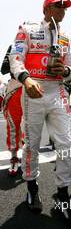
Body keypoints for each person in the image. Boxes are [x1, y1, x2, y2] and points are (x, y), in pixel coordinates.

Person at [9, 0, 71, 221]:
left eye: (64, 7)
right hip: (33, 92)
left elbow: (69, 69)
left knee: (67, 141)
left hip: (57, 91)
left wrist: (64, 71)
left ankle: (63, 193)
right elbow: (15, 57)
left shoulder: (66, 37)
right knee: (32, 143)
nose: (62, 10)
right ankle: (31, 186)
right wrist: (26, 79)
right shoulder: (27, 28)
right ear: (46, 8)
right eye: (58, 6)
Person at [1, 46, 23, 176]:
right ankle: (14, 157)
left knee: (32, 127)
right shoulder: (14, 46)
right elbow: (3, 69)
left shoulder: (45, 44)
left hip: (36, 87)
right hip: (16, 87)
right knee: (13, 125)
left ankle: (29, 158)